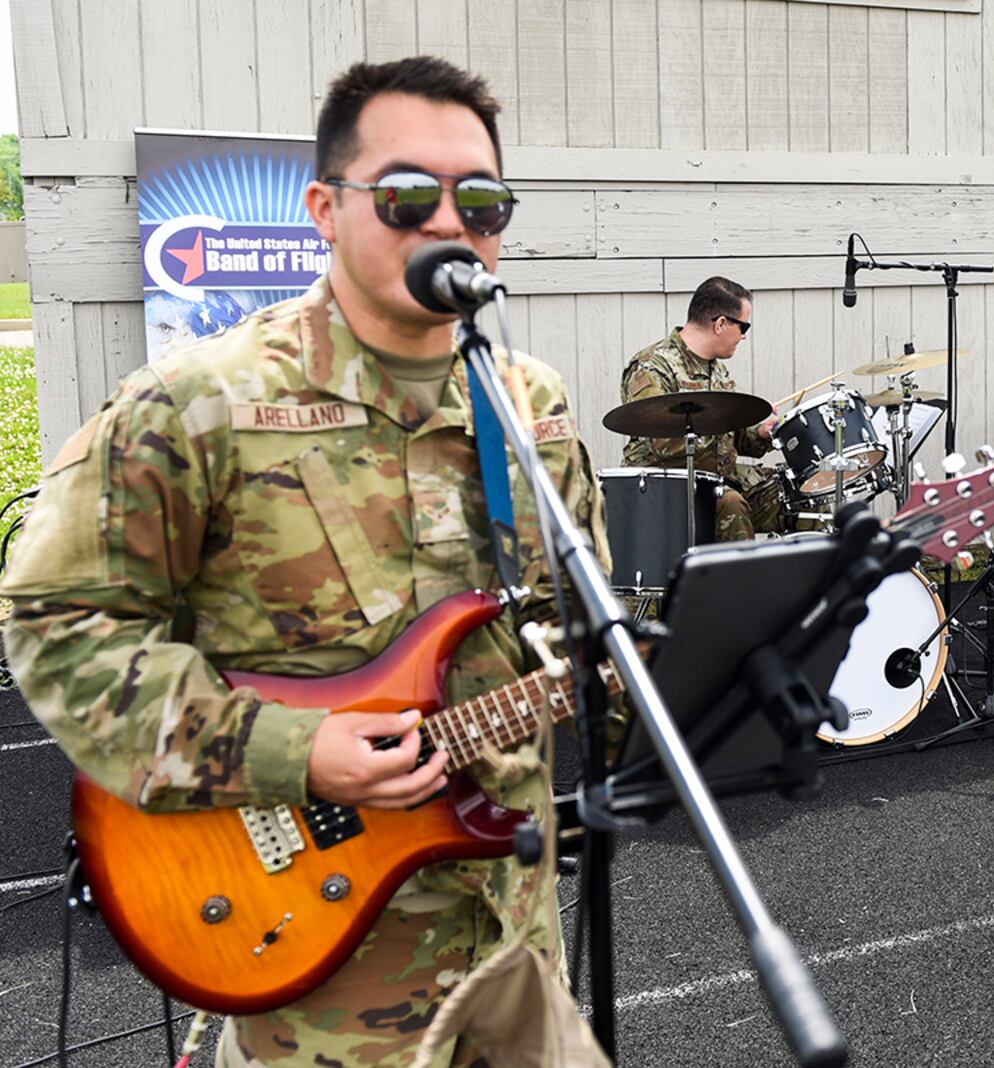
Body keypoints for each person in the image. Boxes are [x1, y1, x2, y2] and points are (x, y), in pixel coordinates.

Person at [1, 57, 610, 1067]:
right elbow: (58, 621)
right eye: (409, 195)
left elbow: (570, 631)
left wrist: (711, 655)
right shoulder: (199, 401)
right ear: (324, 208)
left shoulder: (525, 400)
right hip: (318, 978)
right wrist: (291, 752)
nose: (449, 223)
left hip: (514, 940)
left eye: (484, 201)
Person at [619, 277, 781, 541]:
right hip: (666, 485)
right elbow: (660, 441)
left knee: (800, 491)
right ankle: (743, 582)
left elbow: (734, 437)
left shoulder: (716, 368)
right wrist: (717, 420)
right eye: (743, 327)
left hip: (719, 479)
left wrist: (761, 431)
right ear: (720, 324)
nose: (744, 336)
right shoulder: (652, 366)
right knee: (731, 504)